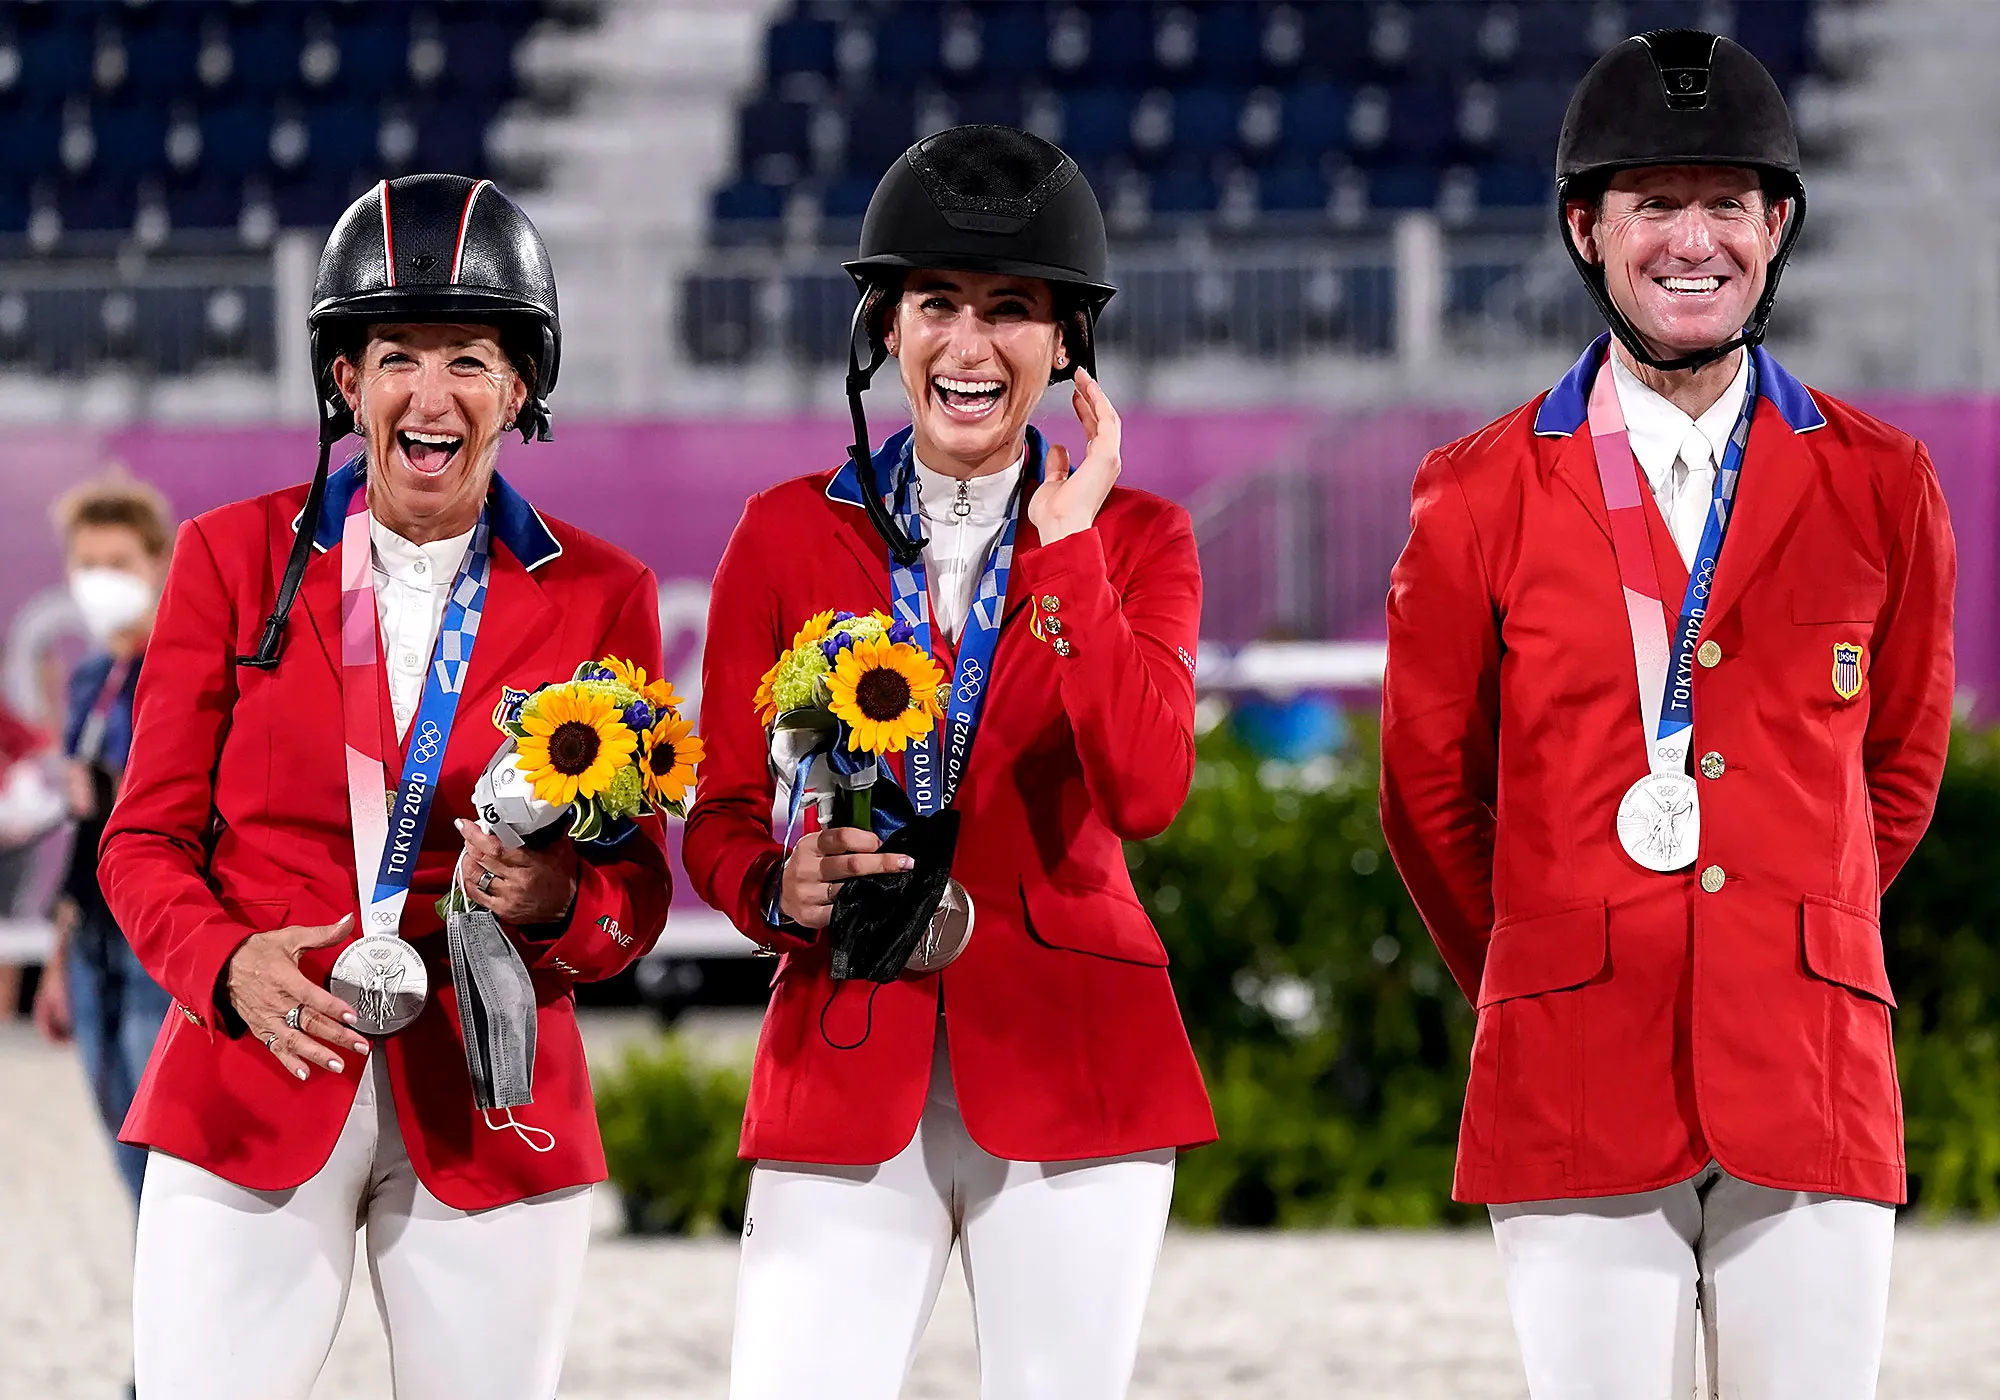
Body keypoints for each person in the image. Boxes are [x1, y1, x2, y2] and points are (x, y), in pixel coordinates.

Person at [1380, 31, 1955, 1399]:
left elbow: (1901, 769)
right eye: (1655, 204)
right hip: (1571, 1058)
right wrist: (1550, 961)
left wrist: (1780, 934)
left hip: (1808, 1060)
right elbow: (1427, 793)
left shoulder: (1884, 483)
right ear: (1589, 227)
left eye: (1726, 204)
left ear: (1778, 226)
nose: (1692, 241)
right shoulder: (1474, 494)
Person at [98, 175, 673, 1400]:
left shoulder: (602, 593)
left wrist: (553, 893)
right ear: (344, 380)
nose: (431, 393)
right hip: (258, 1065)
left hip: (491, 1095)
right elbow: (139, 842)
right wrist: (220, 963)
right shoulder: (226, 556)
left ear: (520, 386)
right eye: (395, 354)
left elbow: (635, 896)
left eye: (469, 356)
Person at [685, 124, 1215, 1400]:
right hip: (841, 1032)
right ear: (884, 326)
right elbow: (717, 813)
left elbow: (1145, 790)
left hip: (1076, 1052)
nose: (969, 346)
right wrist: (774, 886)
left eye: (1011, 310)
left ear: (1064, 344)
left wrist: (1068, 544)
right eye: (937, 304)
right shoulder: (780, 533)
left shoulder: (1138, 539)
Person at [31, 472, 176, 1206]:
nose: (99, 581)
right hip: (92, 928)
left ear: (157, 563)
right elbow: (85, 828)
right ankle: (156, 1284)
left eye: (117, 563)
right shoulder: (93, 678)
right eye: (86, 565)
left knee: (164, 1133)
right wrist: (56, 957)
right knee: (115, 1119)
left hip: (155, 932)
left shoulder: (183, 665)